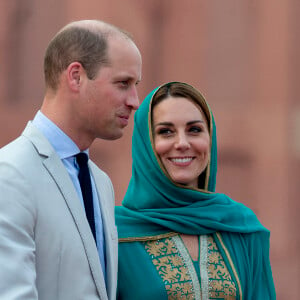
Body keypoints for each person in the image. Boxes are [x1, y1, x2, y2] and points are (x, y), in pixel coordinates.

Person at [0, 20, 142, 300]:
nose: (135, 101)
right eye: (123, 84)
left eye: (135, 85)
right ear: (76, 76)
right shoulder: (10, 174)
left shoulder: (100, 182)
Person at [116, 82, 276, 299]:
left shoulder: (242, 229)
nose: (182, 143)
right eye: (166, 132)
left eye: (194, 130)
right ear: (146, 144)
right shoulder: (113, 234)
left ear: (210, 138)